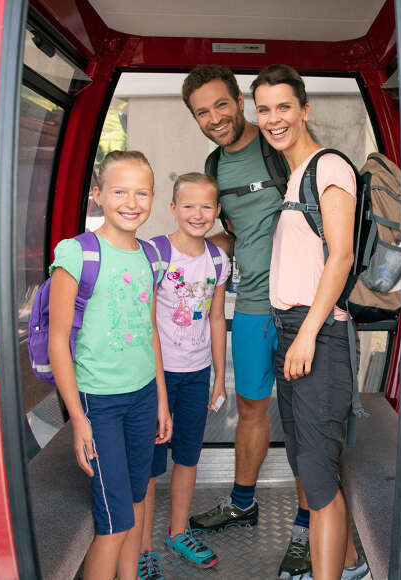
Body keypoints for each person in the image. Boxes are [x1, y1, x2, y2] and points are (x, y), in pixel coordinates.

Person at [181, 65, 313, 579]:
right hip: (254, 306)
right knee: (250, 408)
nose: (215, 118)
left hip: (299, 308)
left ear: (239, 99)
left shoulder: (281, 145)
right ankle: (243, 502)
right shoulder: (215, 165)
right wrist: (191, 251)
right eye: (202, 112)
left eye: (221, 104)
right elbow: (237, 235)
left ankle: (306, 522)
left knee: (304, 419)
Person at [252, 65, 371, 580]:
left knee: (318, 479)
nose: (274, 119)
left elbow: (340, 258)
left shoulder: (329, 167)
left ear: (305, 108)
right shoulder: (294, 175)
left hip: (317, 335)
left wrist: (303, 334)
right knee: (304, 462)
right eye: (263, 109)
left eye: (284, 107)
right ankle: (349, 565)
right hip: (292, 331)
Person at [48, 150, 172, 580]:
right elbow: (59, 343)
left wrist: (161, 399)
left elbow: (151, 332)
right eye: (120, 191)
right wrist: (78, 420)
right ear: (98, 195)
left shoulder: (150, 257)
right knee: (114, 521)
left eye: (142, 193)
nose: (131, 202)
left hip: (142, 399)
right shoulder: (77, 254)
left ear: (153, 198)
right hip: (98, 404)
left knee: (136, 506)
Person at [138, 172, 230, 577]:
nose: (198, 214)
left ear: (217, 211)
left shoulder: (217, 260)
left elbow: (215, 318)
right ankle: (141, 548)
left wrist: (219, 377)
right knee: (150, 465)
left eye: (206, 206)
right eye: (188, 205)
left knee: (188, 457)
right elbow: (143, 323)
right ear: (172, 208)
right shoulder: (155, 253)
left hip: (196, 374)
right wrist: (158, 391)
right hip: (155, 377)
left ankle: (177, 534)